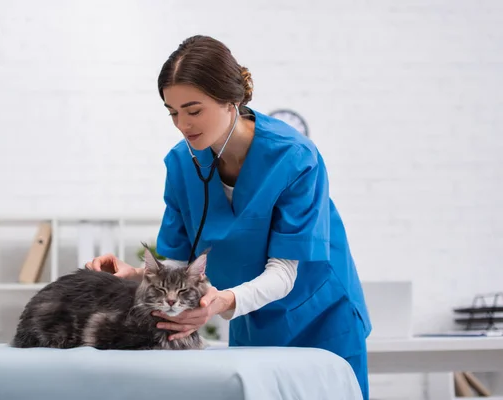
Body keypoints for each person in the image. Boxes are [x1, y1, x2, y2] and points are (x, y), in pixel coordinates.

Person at [86, 35, 372, 400]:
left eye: (194, 110)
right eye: (172, 113)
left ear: (230, 99)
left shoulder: (295, 158)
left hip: (319, 316)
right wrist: (136, 275)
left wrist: (219, 303)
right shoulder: (180, 163)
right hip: (249, 316)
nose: (183, 125)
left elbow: (284, 273)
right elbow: (177, 261)